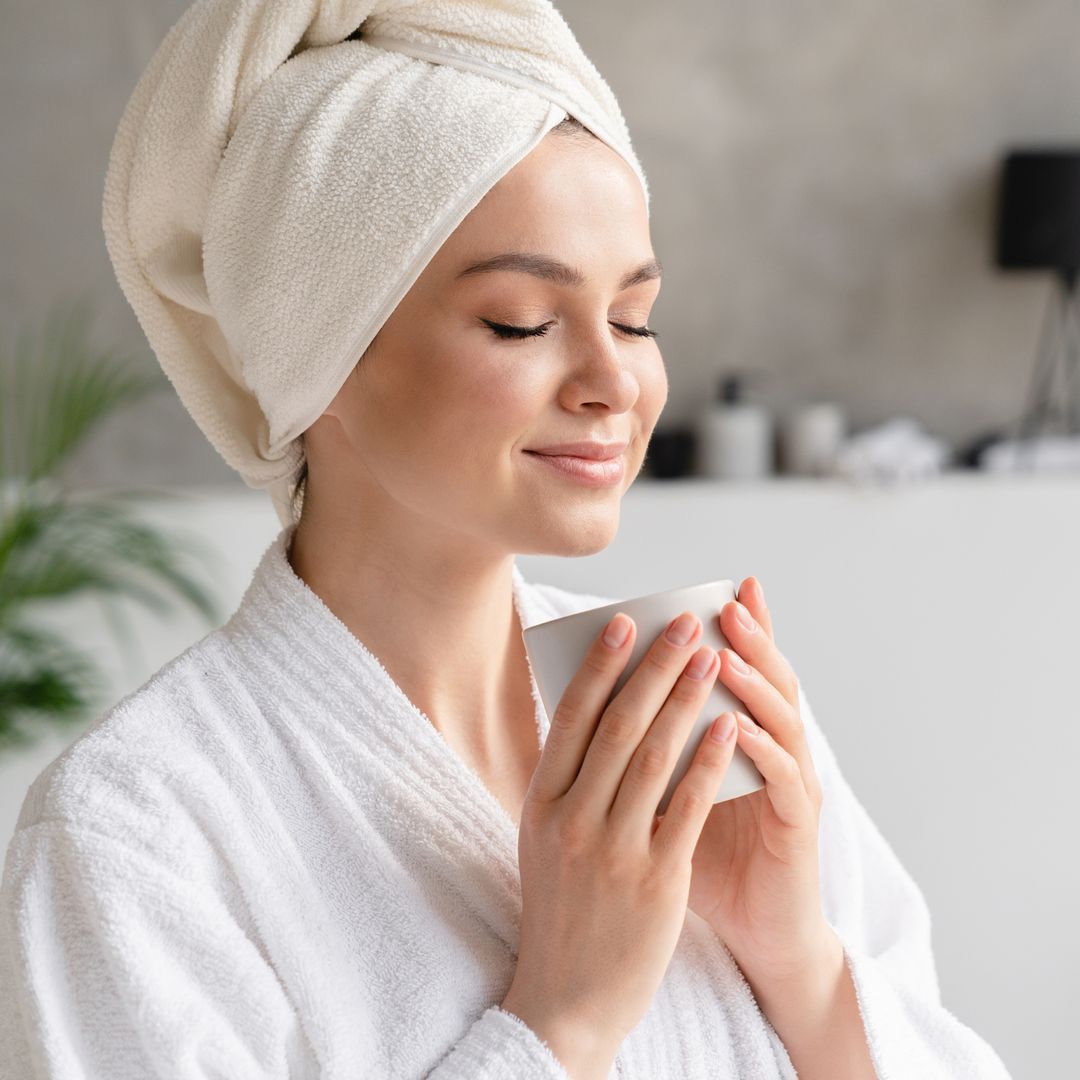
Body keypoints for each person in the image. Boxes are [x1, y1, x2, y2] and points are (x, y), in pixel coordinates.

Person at [0, 3, 1012, 1078]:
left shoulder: (695, 714)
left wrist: (799, 964)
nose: (615, 381)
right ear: (314, 355)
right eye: (522, 321)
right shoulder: (139, 835)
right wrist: (559, 1021)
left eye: (634, 317)